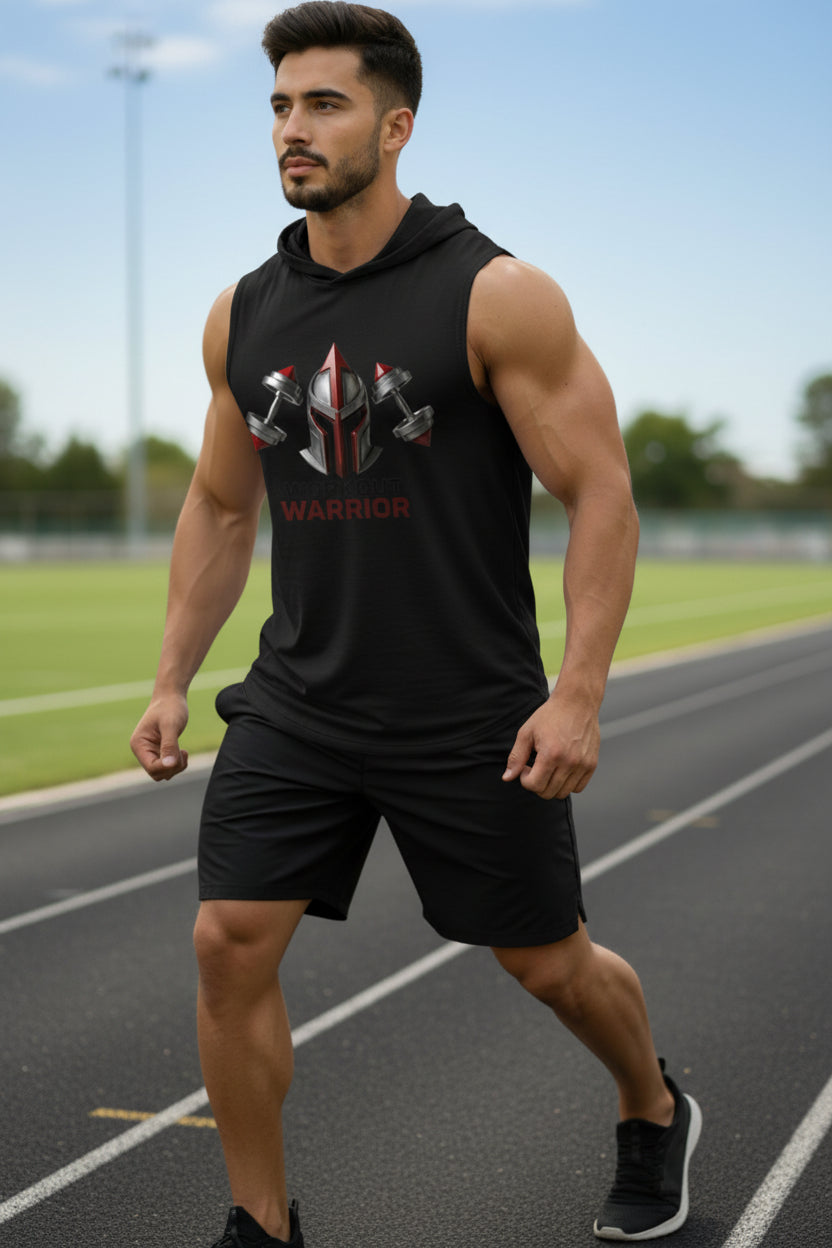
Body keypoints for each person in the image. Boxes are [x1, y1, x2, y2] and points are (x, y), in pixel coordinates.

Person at [130, 4, 701, 1244]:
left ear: (395, 125)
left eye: (322, 104)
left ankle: (651, 1106)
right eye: (280, 105)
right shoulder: (242, 313)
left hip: (467, 708)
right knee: (229, 941)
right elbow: (223, 506)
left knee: (549, 968)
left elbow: (600, 492)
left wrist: (578, 691)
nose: (293, 129)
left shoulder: (495, 294)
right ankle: (261, 1225)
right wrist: (173, 676)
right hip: (301, 700)